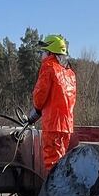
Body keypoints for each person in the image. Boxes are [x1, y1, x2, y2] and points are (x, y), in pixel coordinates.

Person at [26, 33, 77, 173]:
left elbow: (40, 95)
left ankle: (54, 194)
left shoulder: (49, 67)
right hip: (67, 126)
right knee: (61, 162)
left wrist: (36, 110)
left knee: (52, 164)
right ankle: (62, 191)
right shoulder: (70, 73)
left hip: (53, 125)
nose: (41, 55)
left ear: (50, 52)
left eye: (42, 51)